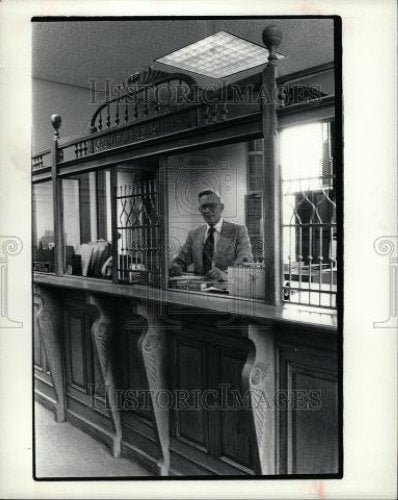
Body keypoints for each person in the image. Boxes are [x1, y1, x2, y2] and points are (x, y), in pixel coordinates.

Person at [169, 189, 253, 281]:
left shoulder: (238, 231)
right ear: (200, 210)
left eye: (212, 206)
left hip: (227, 291)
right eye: (204, 207)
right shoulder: (194, 234)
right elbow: (179, 261)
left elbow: (246, 264)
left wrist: (225, 275)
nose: (207, 210)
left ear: (221, 207)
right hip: (199, 291)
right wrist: (175, 267)